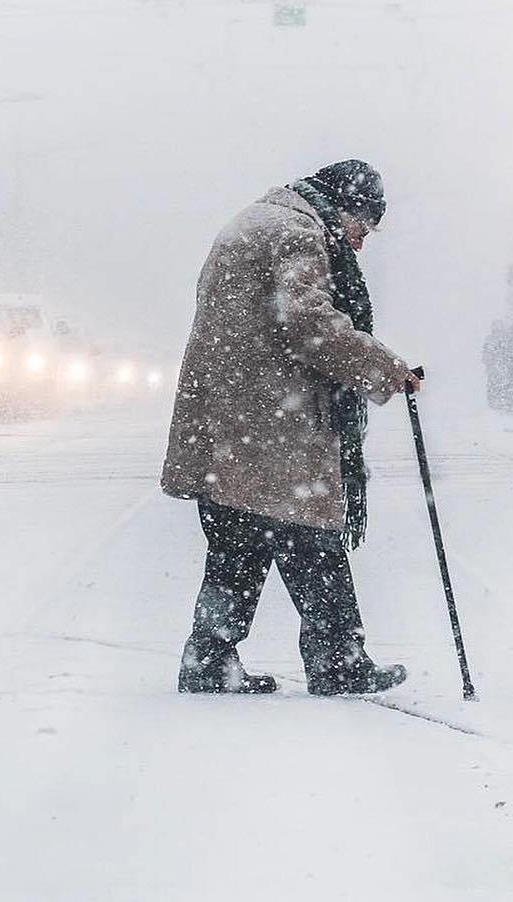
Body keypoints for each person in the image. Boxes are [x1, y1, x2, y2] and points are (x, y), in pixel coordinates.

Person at [162, 160, 422, 695]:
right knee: (312, 543)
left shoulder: (252, 222)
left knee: (239, 545)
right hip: (271, 425)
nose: (360, 243)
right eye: (363, 228)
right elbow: (309, 325)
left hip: (228, 419)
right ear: (345, 207)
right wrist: (386, 368)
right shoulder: (296, 233)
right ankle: (339, 663)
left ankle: (210, 660)